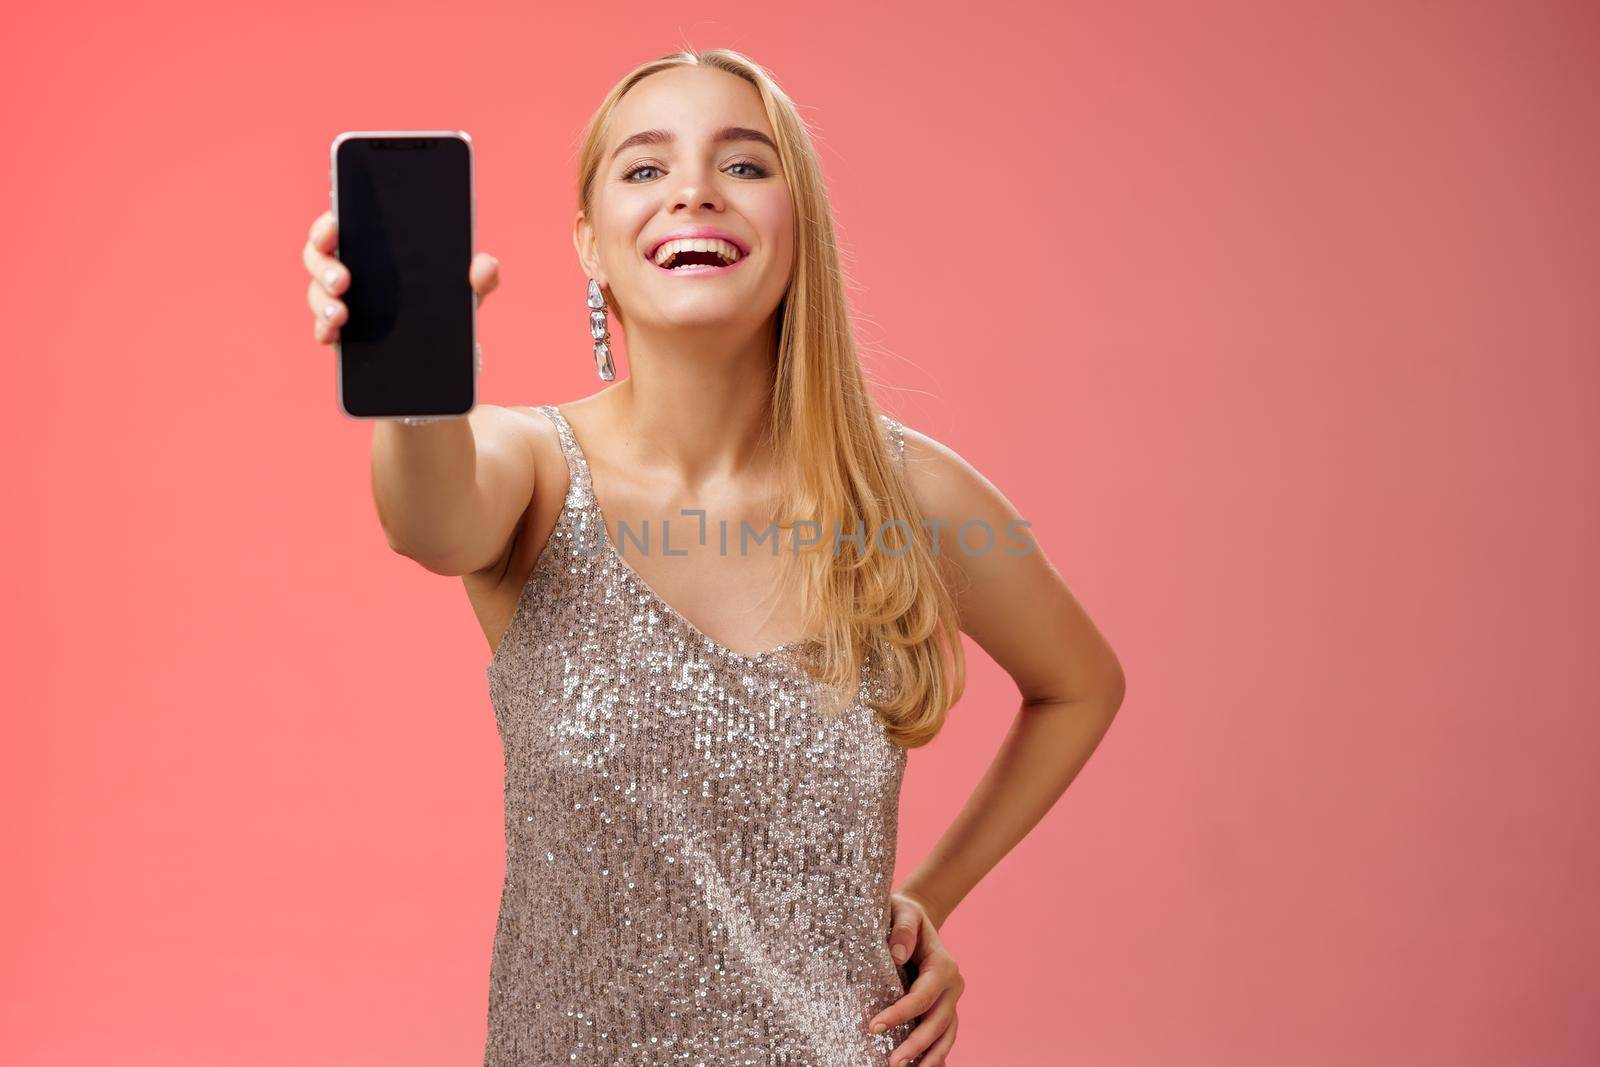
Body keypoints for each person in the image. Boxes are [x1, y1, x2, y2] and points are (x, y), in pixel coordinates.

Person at [301, 47, 1124, 1067]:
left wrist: (925, 900)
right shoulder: (528, 466)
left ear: (798, 226)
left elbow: (1080, 683)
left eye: (743, 165)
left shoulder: (906, 492)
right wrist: (418, 388)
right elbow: (427, 522)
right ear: (589, 245)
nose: (693, 189)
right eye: (644, 169)